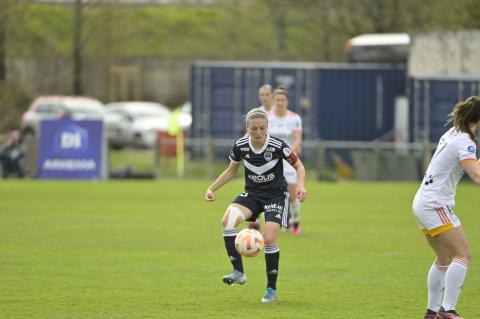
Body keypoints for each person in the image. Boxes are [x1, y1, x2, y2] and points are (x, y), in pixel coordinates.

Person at [204, 109, 307, 303]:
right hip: (252, 194)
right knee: (227, 221)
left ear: (267, 128)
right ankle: (238, 272)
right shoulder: (240, 146)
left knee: (268, 239)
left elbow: (299, 166)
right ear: (247, 128)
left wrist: (300, 187)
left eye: (262, 128)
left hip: (275, 196)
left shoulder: (278, 146)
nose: (258, 132)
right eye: (254, 129)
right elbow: (230, 171)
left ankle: (271, 290)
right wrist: (212, 188)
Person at [412, 96, 480, 319]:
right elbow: (476, 175)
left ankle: (432, 312)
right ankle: (447, 310)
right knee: (463, 255)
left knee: (443, 257)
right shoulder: (466, 141)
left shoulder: (452, 133)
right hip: (435, 204)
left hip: (423, 201)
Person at [268, 86, 303, 235]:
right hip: (272, 160)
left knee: (292, 193)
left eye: (282, 100)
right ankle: (280, 220)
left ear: (287, 101)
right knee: (272, 192)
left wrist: (289, 153)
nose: (280, 102)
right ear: (273, 101)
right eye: (277, 100)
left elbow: (297, 139)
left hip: (288, 159)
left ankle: (295, 219)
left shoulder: (294, 118)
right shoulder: (267, 117)